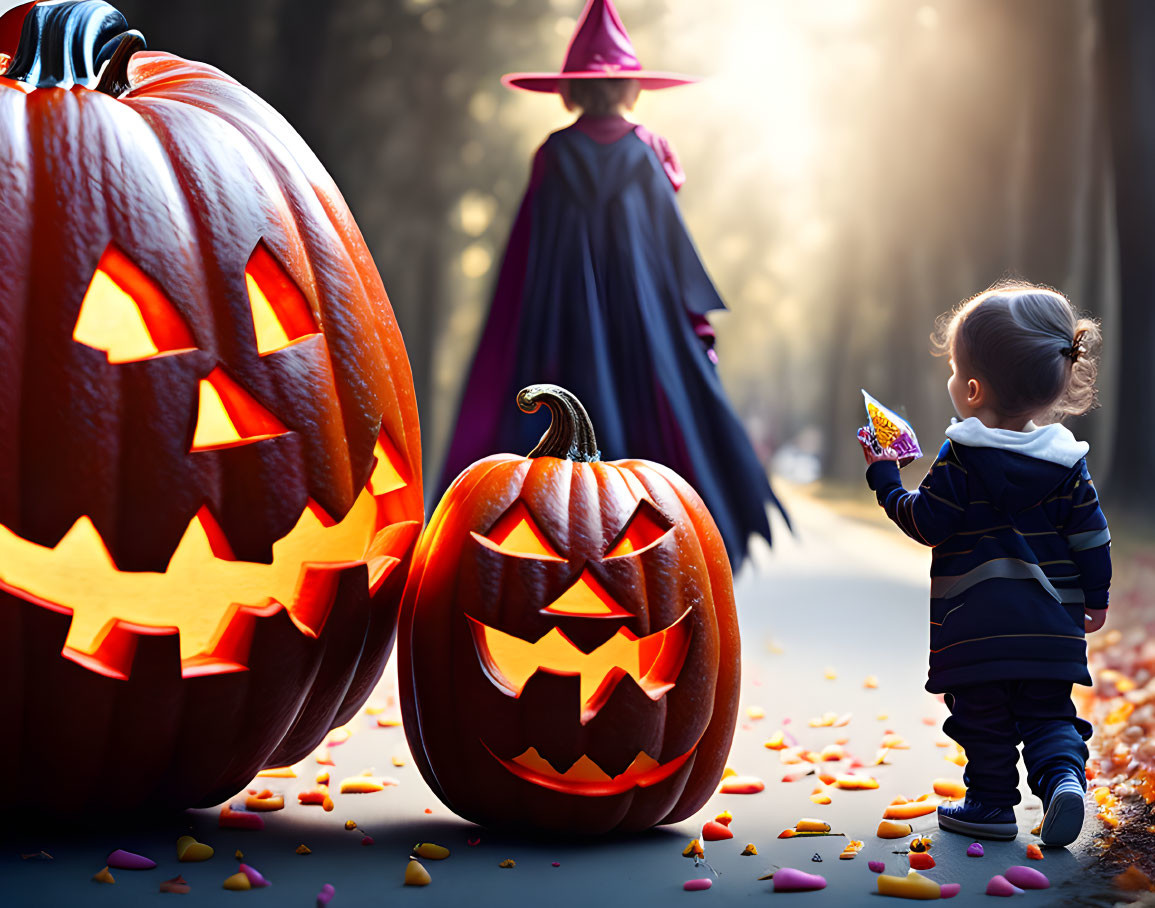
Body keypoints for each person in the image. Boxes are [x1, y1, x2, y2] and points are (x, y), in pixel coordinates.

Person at [437, 0, 786, 566]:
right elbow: (672, 256)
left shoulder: (554, 154)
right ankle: (651, 553)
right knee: (654, 428)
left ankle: (534, 547)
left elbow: (525, 263)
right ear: (631, 88)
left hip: (560, 326)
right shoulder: (646, 154)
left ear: (571, 91)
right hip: (641, 332)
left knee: (555, 437)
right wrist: (689, 331)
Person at [859, 282, 1110, 847]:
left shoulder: (962, 456)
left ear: (972, 390)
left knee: (984, 720)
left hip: (975, 629)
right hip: (1050, 631)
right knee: (1050, 716)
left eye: (952, 371)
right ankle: (1064, 779)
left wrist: (884, 478)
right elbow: (1093, 538)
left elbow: (928, 522)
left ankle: (992, 805)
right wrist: (1096, 598)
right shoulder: (1070, 463)